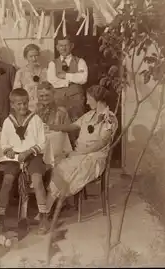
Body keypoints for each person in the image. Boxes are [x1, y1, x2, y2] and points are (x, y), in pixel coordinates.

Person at [44, 85, 118, 231]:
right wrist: (51, 126)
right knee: (56, 163)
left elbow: (101, 143)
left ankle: (47, 211)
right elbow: (72, 127)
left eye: (89, 99)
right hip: (80, 154)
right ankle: (51, 207)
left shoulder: (110, 119)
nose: (86, 102)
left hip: (94, 158)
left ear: (98, 100)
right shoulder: (89, 115)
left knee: (64, 167)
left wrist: (77, 153)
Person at [0, 88, 48, 234]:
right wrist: (8, 150)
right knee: (7, 181)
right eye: (19, 104)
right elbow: (4, 144)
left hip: (32, 155)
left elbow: (42, 142)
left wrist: (28, 152)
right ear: (12, 105)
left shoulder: (35, 119)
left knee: (37, 180)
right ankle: (1, 218)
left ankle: (43, 216)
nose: (23, 107)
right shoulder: (8, 122)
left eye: (25, 103)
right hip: (14, 157)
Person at [46, 35, 88, 122]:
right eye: (61, 46)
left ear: (71, 46)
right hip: (58, 99)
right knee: (59, 122)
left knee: (76, 122)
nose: (63, 48)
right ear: (57, 47)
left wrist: (65, 75)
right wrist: (70, 81)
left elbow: (83, 79)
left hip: (76, 100)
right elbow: (52, 81)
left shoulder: (80, 61)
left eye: (66, 45)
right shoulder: (52, 63)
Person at [13, 44, 47, 112]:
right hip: (27, 108)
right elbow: (17, 94)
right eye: (31, 56)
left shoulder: (45, 71)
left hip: (43, 107)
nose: (34, 59)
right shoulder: (20, 72)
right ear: (26, 57)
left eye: (36, 55)